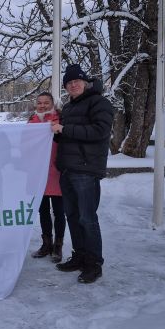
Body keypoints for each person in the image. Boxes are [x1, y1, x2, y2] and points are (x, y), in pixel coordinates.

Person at [51, 64, 114, 283]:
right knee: (72, 216)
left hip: (86, 170)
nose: (73, 85)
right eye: (68, 83)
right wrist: (54, 133)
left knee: (87, 218)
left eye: (76, 81)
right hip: (68, 169)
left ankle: (94, 263)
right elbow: (66, 136)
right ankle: (79, 256)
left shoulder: (99, 103)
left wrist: (64, 129)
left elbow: (100, 131)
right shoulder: (69, 108)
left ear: (85, 82)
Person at [29, 92, 66, 262]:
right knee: (43, 211)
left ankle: (58, 246)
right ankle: (46, 244)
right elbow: (24, 145)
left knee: (59, 212)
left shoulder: (61, 120)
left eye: (46, 102)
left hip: (57, 173)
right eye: (39, 103)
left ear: (52, 103)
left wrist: (58, 133)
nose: (42, 106)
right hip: (39, 174)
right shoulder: (32, 122)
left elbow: (67, 141)